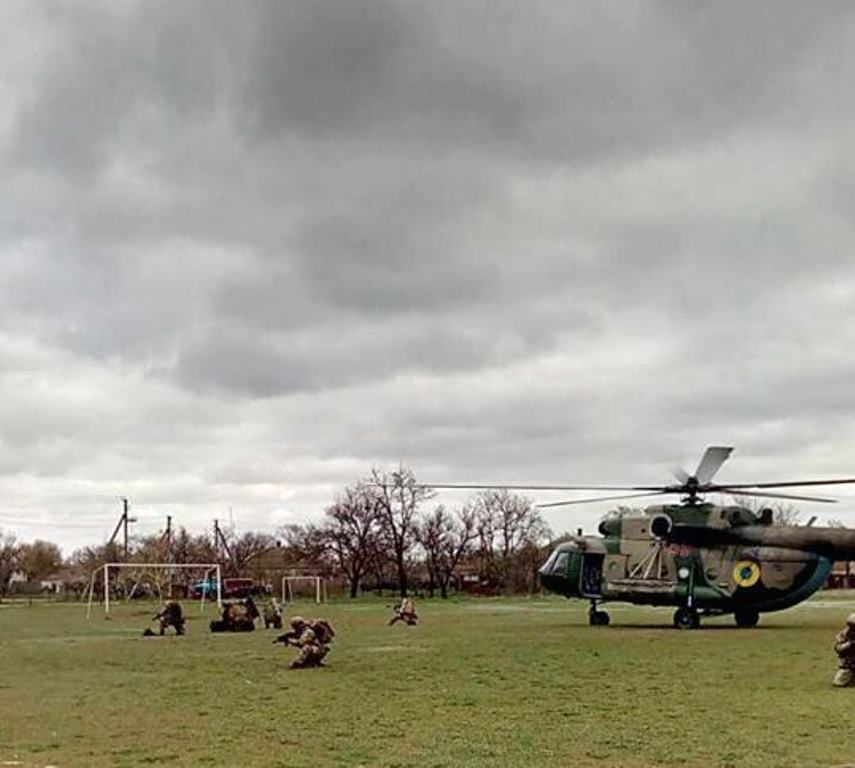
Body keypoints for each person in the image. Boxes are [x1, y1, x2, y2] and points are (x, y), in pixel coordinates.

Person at [833, 613, 855, 686]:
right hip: (849, 663)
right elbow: (837, 648)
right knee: (838, 682)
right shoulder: (845, 633)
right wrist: (849, 644)